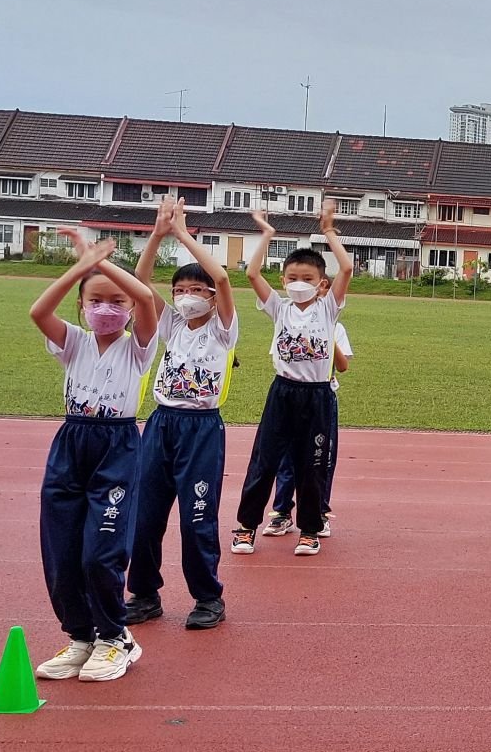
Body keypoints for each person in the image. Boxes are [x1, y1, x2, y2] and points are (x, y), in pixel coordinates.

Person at [28, 231, 160, 682]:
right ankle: (81, 636)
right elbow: (38, 311)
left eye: (115, 301)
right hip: (71, 445)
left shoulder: (138, 346)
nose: (106, 309)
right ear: (82, 306)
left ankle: (115, 637)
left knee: (100, 552)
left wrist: (99, 263)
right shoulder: (73, 343)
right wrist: (79, 270)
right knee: (61, 551)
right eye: (95, 300)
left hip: (117, 447)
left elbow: (145, 296)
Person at [125, 199, 237, 631]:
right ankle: (145, 593)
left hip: (201, 430)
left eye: (196, 290)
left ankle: (208, 597)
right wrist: (157, 233)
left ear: (211, 297)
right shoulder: (171, 324)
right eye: (181, 290)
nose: (187, 297)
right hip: (161, 423)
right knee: (146, 513)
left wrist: (184, 235)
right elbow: (140, 280)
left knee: (197, 516)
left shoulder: (223, 328)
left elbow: (224, 276)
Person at [231, 204, 352, 557]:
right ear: (283, 281)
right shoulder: (279, 308)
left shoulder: (329, 308)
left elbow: (346, 267)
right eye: (293, 278)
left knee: (311, 464)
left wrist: (328, 231)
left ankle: (310, 530)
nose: (300, 284)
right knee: (264, 460)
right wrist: (267, 235)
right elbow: (252, 274)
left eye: (308, 279)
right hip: (282, 392)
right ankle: (246, 527)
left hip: (317, 396)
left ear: (322, 284)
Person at [265, 273, 349, 538]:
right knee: (286, 456)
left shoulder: (335, 325)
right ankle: (281, 512)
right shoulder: (289, 319)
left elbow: (344, 366)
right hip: (290, 396)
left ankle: (318, 513)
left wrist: (326, 333)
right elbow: (280, 354)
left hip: (321, 398)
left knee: (318, 458)